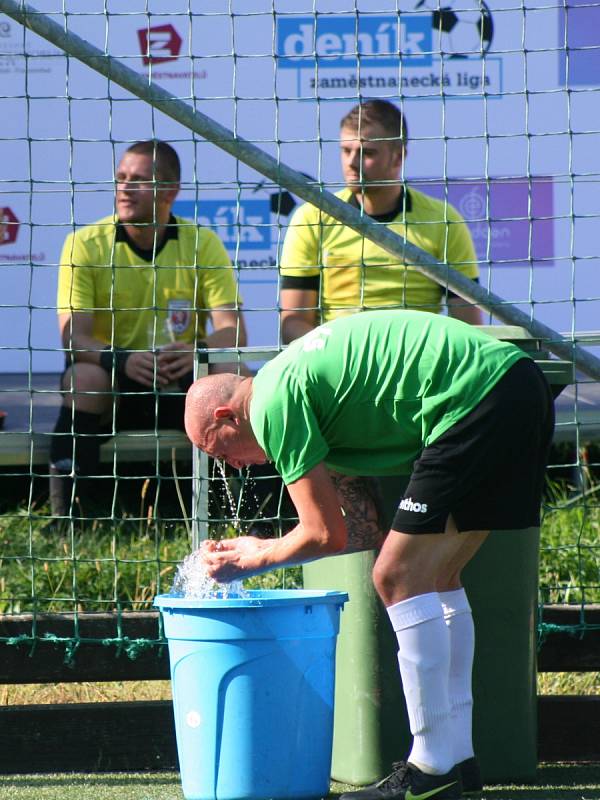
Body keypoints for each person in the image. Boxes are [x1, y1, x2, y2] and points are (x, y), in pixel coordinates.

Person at [184, 310, 554, 800]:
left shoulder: (271, 404)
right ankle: (457, 757)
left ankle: (428, 766)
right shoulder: (297, 389)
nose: (230, 465)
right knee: (439, 576)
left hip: (475, 397)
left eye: (220, 451)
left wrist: (256, 557)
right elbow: (353, 533)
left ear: (228, 416)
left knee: (396, 577)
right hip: (518, 386)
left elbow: (322, 536)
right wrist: (264, 546)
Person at [49, 140, 246, 518]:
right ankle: (72, 517)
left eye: (138, 180)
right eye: (121, 178)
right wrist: (121, 360)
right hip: (116, 383)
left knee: (235, 376)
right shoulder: (84, 244)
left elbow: (234, 331)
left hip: (183, 381)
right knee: (83, 378)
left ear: (170, 191)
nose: (124, 188)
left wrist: (196, 350)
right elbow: (72, 338)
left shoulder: (202, 242)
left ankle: (251, 510)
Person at [279, 99, 482, 345]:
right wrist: (343, 354)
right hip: (340, 362)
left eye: (367, 153)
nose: (352, 162)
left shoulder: (443, 220)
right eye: (346, 150)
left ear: (399, 157)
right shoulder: (312, 218)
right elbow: (292, 325)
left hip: (417, 357)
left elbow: (469, 325)